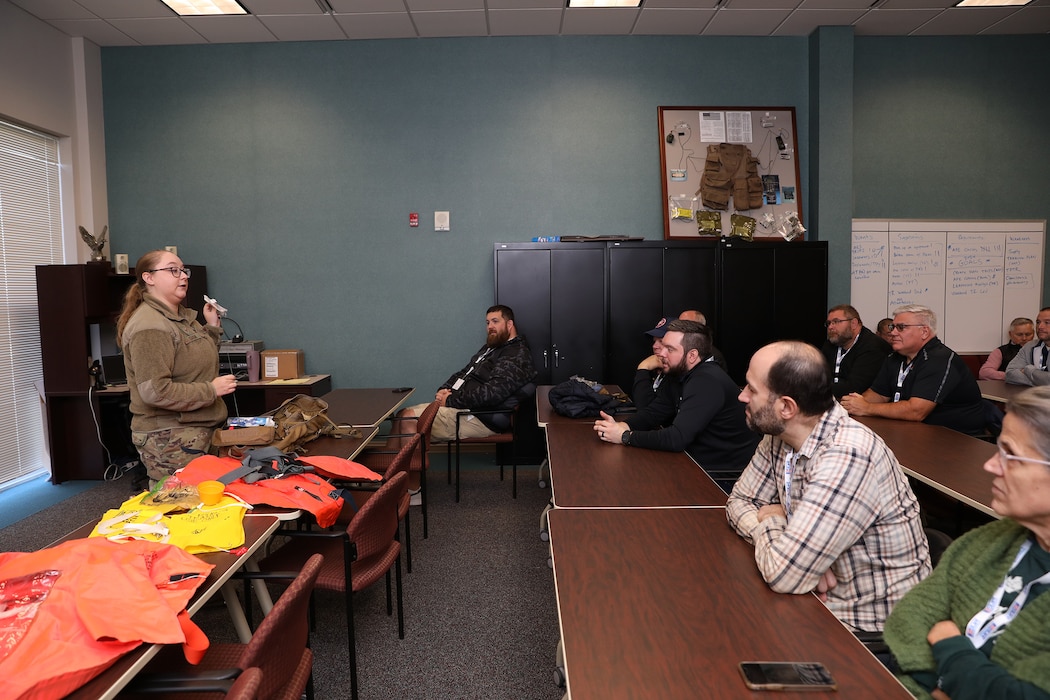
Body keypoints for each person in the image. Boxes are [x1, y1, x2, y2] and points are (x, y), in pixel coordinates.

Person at [727, 341, 930, 633]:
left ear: (786, 407)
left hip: (868, 631)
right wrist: (787, 544)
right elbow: (741, 500)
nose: (741, 396)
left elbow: (784, 574)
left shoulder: (847, 455)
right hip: (814, 601)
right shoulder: (781, 432)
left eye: (751, 389)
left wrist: (771, 519)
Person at [883, 386, 1050, 699]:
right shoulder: (990, 539)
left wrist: (949, 645)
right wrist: (950, 684)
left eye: (1009, 455)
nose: (990, 465)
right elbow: (907, 620)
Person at [116, 249, 236, 487]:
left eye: (183, 270)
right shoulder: (150, 326)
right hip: (170, 437)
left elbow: (195, 362)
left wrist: (211, 328)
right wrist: (210, 390)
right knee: (179, 508)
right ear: (149, 278)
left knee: (205, 507)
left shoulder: (180, 318)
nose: (183, 276)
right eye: (173, 270)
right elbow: (155, 391)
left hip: (197, 430)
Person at [594, 320, 759, 488]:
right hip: (695, 464)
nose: (661, 353)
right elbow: (654, 412)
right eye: (663, 346)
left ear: (692, 355)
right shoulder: (678, 374)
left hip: (723, 476)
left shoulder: (706, 380)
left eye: (670, 349)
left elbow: (677, 438)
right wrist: (622, 425)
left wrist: (625, 436)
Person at [841, 304, 987, 436]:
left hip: (955, 439)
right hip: (912, 431)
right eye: (893, 327)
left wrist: (867, 408)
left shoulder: (939, 359)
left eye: (901, 327)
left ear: (924, 332)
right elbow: (878, 393)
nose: (893, 333)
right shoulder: (895, 357)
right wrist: (853, 405)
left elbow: (916, 411)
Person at [401, 304, 537, 443]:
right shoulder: (490, 348)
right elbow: (465, 372)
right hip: (463, 408)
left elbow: (491, 394)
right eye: (488, 322)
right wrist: (444, 389)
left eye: (495, 321)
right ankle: (390, 464)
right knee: (401, 415)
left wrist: (449, 400)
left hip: (479, 417)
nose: (490, 326)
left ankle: (406, 465)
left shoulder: (515, 355)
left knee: (408, 418)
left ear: (509, 324)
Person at [820, 304, 891, 399]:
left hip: (858, 405)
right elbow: (817, 374)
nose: (830, 327)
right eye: (829, 323)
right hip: (829, 400)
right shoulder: (831, 344)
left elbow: (855, 387)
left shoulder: (873, 346)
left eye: (836, 322)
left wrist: (815, 390)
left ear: (853, 323)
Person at [1004, 307, 1050, 387]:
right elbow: (1010, 373)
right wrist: (1040, 382)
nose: (1040, 327)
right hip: (1034, 397)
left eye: (1047, 322)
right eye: (1038, 322)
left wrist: (1029, 370)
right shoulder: (1030, 346)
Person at [979, 317, 1034, 381]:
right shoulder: (1001, 351)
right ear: (1010, 334)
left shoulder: (1040, 349)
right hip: (1010, 388)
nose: (1024, 338)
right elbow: (984, 373)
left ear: (1034, 333)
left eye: (1028, 334)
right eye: (1019, 334)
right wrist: (1012, 375)